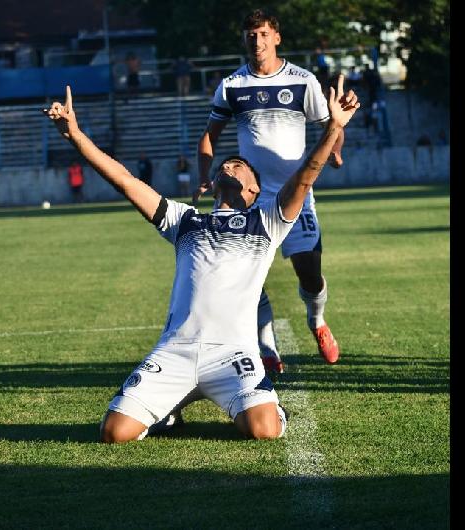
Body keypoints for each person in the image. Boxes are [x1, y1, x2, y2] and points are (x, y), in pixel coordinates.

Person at [42, 78, 359, 443]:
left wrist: (333, 128)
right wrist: (76, 136)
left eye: (240, 165)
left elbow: (304, 180)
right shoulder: (184, 219)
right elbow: (127, 183)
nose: (232, 164)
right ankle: (169, 413)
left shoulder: (267, 222)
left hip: (233, 356)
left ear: (255, 190)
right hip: (174, 351)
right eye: (228, 162)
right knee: (114, 433)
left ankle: (269, 405)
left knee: (264, 430)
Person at [194, 9, 347, 375]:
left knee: (310, 274)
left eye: (263, 34)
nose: (257, 41)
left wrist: (337, 149)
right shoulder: (232, 85)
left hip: (296, 195)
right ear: (244, 39)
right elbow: (209, 136)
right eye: (251, 34)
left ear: (276, 37)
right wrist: (203, 176)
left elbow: (333, 123)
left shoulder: (302, 80)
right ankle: (266, 349)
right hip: (252, 198)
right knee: (250, 275)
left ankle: (317, 321)